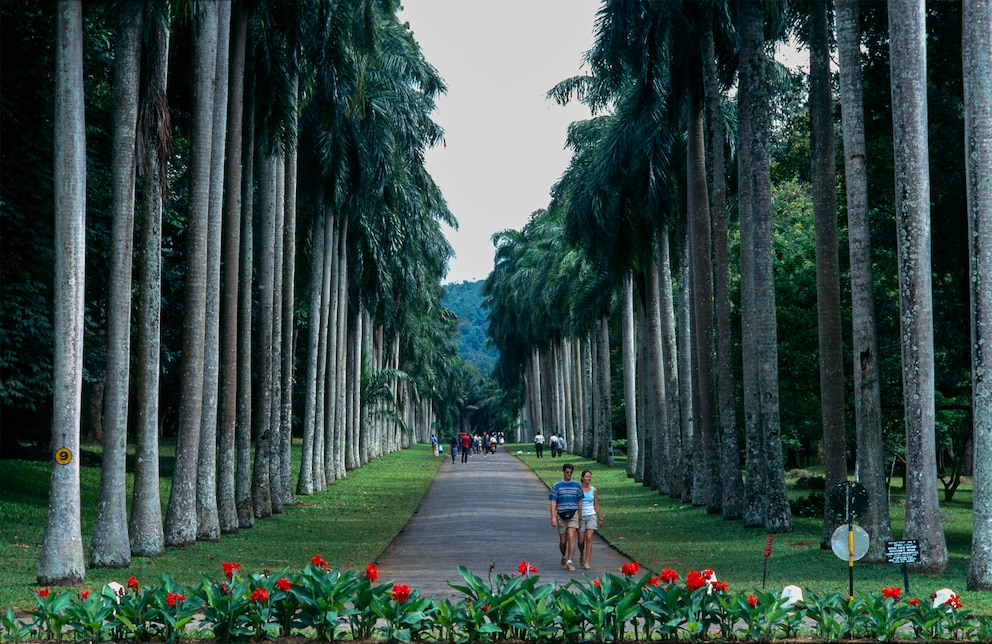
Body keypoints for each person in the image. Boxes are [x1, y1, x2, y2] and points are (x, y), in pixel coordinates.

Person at [549, 463, 583, 571]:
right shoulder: (557, 486)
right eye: (567, 472)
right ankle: (564, 556)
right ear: (563, 472)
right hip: (561, 513)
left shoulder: (577, 486)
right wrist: (553, 517)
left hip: (573, 513)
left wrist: (580, 517)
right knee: (563, 541)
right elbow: (553, 502)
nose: (569, 474)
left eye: (571, 472)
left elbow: (579, 502)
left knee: (571, 535)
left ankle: (570, 561)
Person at [577, 469, 602, 570]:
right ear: (582, 478)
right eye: (587, 477)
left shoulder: (593, 490)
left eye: (590, 477)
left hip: (591, 515)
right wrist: (578, 517)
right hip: (581, 516)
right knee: (581, 541)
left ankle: (587, 561)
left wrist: (600, 517)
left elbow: (596, 504)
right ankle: (582, 553)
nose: (589, 478)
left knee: (589, 538)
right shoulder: (578, 490)